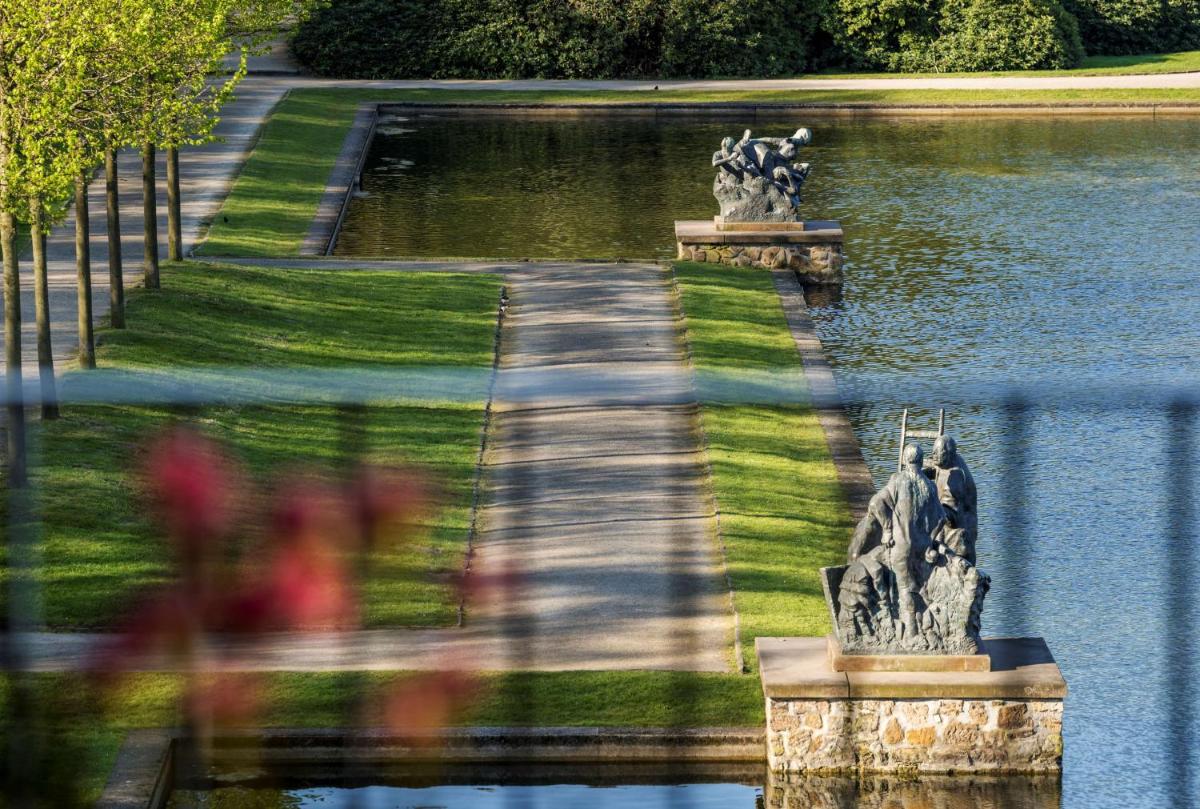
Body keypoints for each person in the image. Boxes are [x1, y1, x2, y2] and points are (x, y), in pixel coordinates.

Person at [923, 435, 978, 564]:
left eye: (938, 452)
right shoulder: (949, 461)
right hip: (953, 527)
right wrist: (922, 474)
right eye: (933, 451)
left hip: (959, 534)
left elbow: (948, 516)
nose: (933, 454)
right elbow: (936, 470)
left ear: (949, 454)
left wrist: (927, 508)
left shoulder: (955, 479)